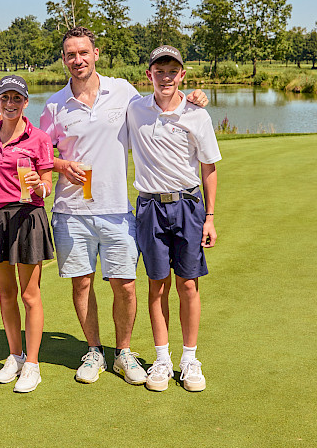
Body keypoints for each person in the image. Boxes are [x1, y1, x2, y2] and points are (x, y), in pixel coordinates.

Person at [40, 26, 208, 386]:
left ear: (95, 53)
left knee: (127, 286)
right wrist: (58, 165)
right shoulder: (54, 104)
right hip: (71, 212)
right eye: (70, 54)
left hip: (117, 210)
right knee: (81, 285)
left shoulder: (124, 93)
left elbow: (163, 101)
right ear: (64, 58)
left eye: (83, 52)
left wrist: (195, 96)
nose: (77, 60)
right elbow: (39, 152)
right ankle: (94, 351)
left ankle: (124, 352)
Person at [126, 46, 220, 392]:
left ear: (182, 74)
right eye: (159, 71)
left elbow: (208, 168)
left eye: (172, 71)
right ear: (148, 74)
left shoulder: (197, 114)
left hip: (189, 207)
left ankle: (189, 358)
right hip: (150, 207)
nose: (165, 77)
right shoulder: (135, 108)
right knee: (157, 284)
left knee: (189, 284)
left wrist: (210, 217)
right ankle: (162, 359)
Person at [0, 76, 54, 393]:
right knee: (6, 293)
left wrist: (41, 186)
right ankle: (15, 355)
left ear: (26, 102)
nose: (11, 104)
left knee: (29, 294)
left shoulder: (38, 138)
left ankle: (33, 364)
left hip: (27, 216)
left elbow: (47, 184)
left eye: (17, 99)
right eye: (5, 98)